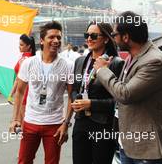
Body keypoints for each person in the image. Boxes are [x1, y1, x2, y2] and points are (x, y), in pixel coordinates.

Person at [94, 11, 162, 164]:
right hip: (128, 144)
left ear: (126, 37)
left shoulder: (154, 60)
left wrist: (102, 70)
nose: (113, 37)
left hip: (146, 150)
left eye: (114, 33)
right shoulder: (133, 55)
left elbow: (126, 94)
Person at [9, 21, 73, 164]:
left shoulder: (68, 65)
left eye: (58, 37)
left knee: (52, 162)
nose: (56, 41)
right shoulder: (29, 63)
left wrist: (66, 123)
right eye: (51, 37)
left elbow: (71, 97)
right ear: (42, 40)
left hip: (55, 124)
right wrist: (15, 119)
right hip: (30, 122)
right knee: (24, 161)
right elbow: (19, 92)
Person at [71, 21, 124, 164]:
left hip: (103, 124)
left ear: (106, 39)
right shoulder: (80, 61)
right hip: (81, 122)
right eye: (87, 35)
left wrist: (91, 104)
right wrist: (76, 99)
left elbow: (119, 100)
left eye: (93, 36)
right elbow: (75, 89)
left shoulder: (116, 63)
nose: (89, 39)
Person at [9, 34, 36, 119]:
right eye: (19, 44)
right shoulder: (26, 58)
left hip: (24, 92)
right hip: (26, 91)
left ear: (28, 46)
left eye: (21, 45)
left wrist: (11, 94)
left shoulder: (25, 60)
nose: (19, 47)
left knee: (23, 121)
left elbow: (18, 79)